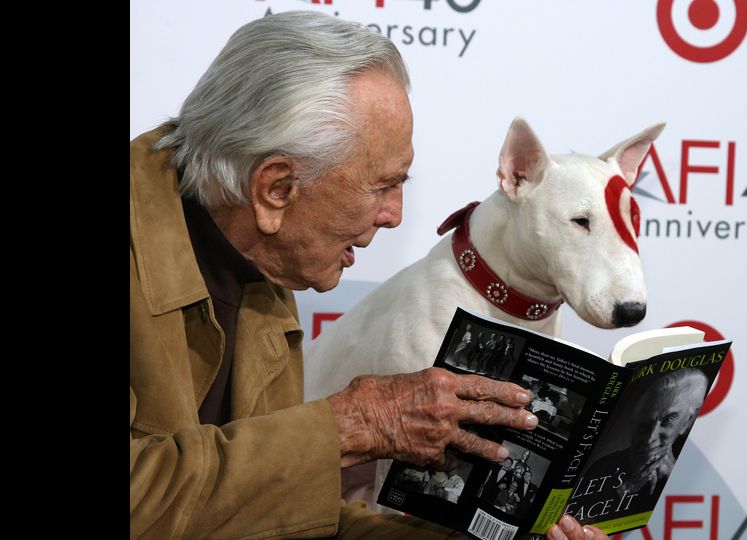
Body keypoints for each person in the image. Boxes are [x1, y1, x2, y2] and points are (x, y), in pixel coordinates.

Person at [131, 11, 611, 540]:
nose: (395, 215)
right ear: (275, 189)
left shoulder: (267, 265)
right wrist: (348, 428)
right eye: (381, 186)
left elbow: (279, 518)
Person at [574, 369, 709, 518]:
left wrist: (673, 482)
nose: (651, 438)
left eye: (668, 420)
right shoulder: (601, 467)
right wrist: (627, 488)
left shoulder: (697, 474)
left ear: (686, 423)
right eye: (645, 425)